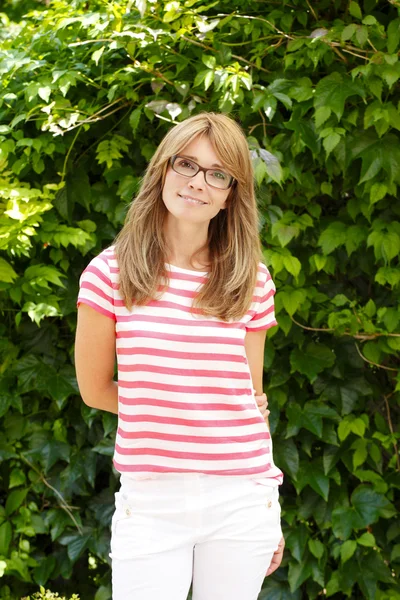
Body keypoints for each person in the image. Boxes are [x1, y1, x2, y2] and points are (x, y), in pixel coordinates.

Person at [75, 112, 285, 600]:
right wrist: (185, 414)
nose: (197, 183)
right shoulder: (110, 273)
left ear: (232, 193)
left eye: (217, 174)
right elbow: (95, 390)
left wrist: (268, 510)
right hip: (152, 502)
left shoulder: (251, 279)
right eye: (186, 164)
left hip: (242, 500)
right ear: (163, 170)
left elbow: (250, 401)